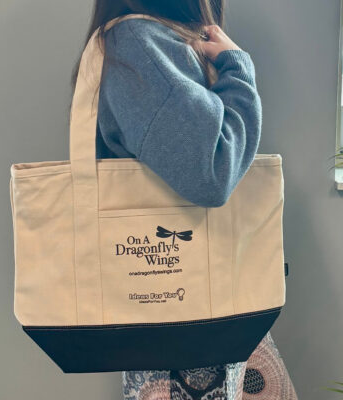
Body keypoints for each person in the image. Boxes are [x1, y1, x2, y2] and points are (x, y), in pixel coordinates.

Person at [71, 1, 298, 399]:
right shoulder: (139, 42)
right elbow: (212, 170)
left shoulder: (150, 40)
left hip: (190, 303)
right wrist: (236, 68)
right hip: (184, 319)